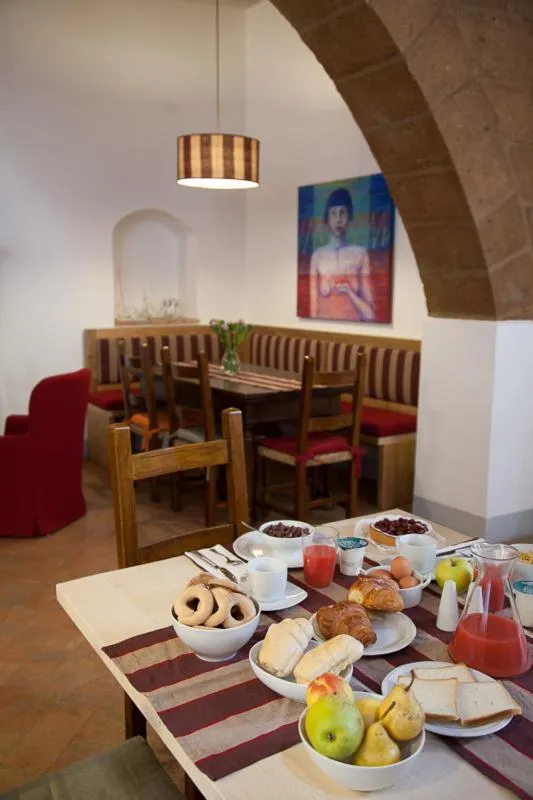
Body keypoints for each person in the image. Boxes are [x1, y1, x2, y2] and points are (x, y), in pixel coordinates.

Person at [309, 187, 375, 321]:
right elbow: (313, 312)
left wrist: (350, 293)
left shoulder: (360, 254)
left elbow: (370, 315)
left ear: (349, 216)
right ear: (327, 218)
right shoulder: (317, 256)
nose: (338, 219)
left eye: (342, 213)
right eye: (333, 213)